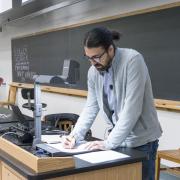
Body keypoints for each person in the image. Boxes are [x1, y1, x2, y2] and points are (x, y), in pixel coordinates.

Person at [62, 27, 162, 180]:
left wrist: (108, 143)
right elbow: (91, 106)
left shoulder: (133, 60)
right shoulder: (93, 72)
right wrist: (75, 135)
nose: (93, 63)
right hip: (117, 139)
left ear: (110, 49)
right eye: (88, 57)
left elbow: (132, 109)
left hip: (142, 142)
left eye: (96, 57)